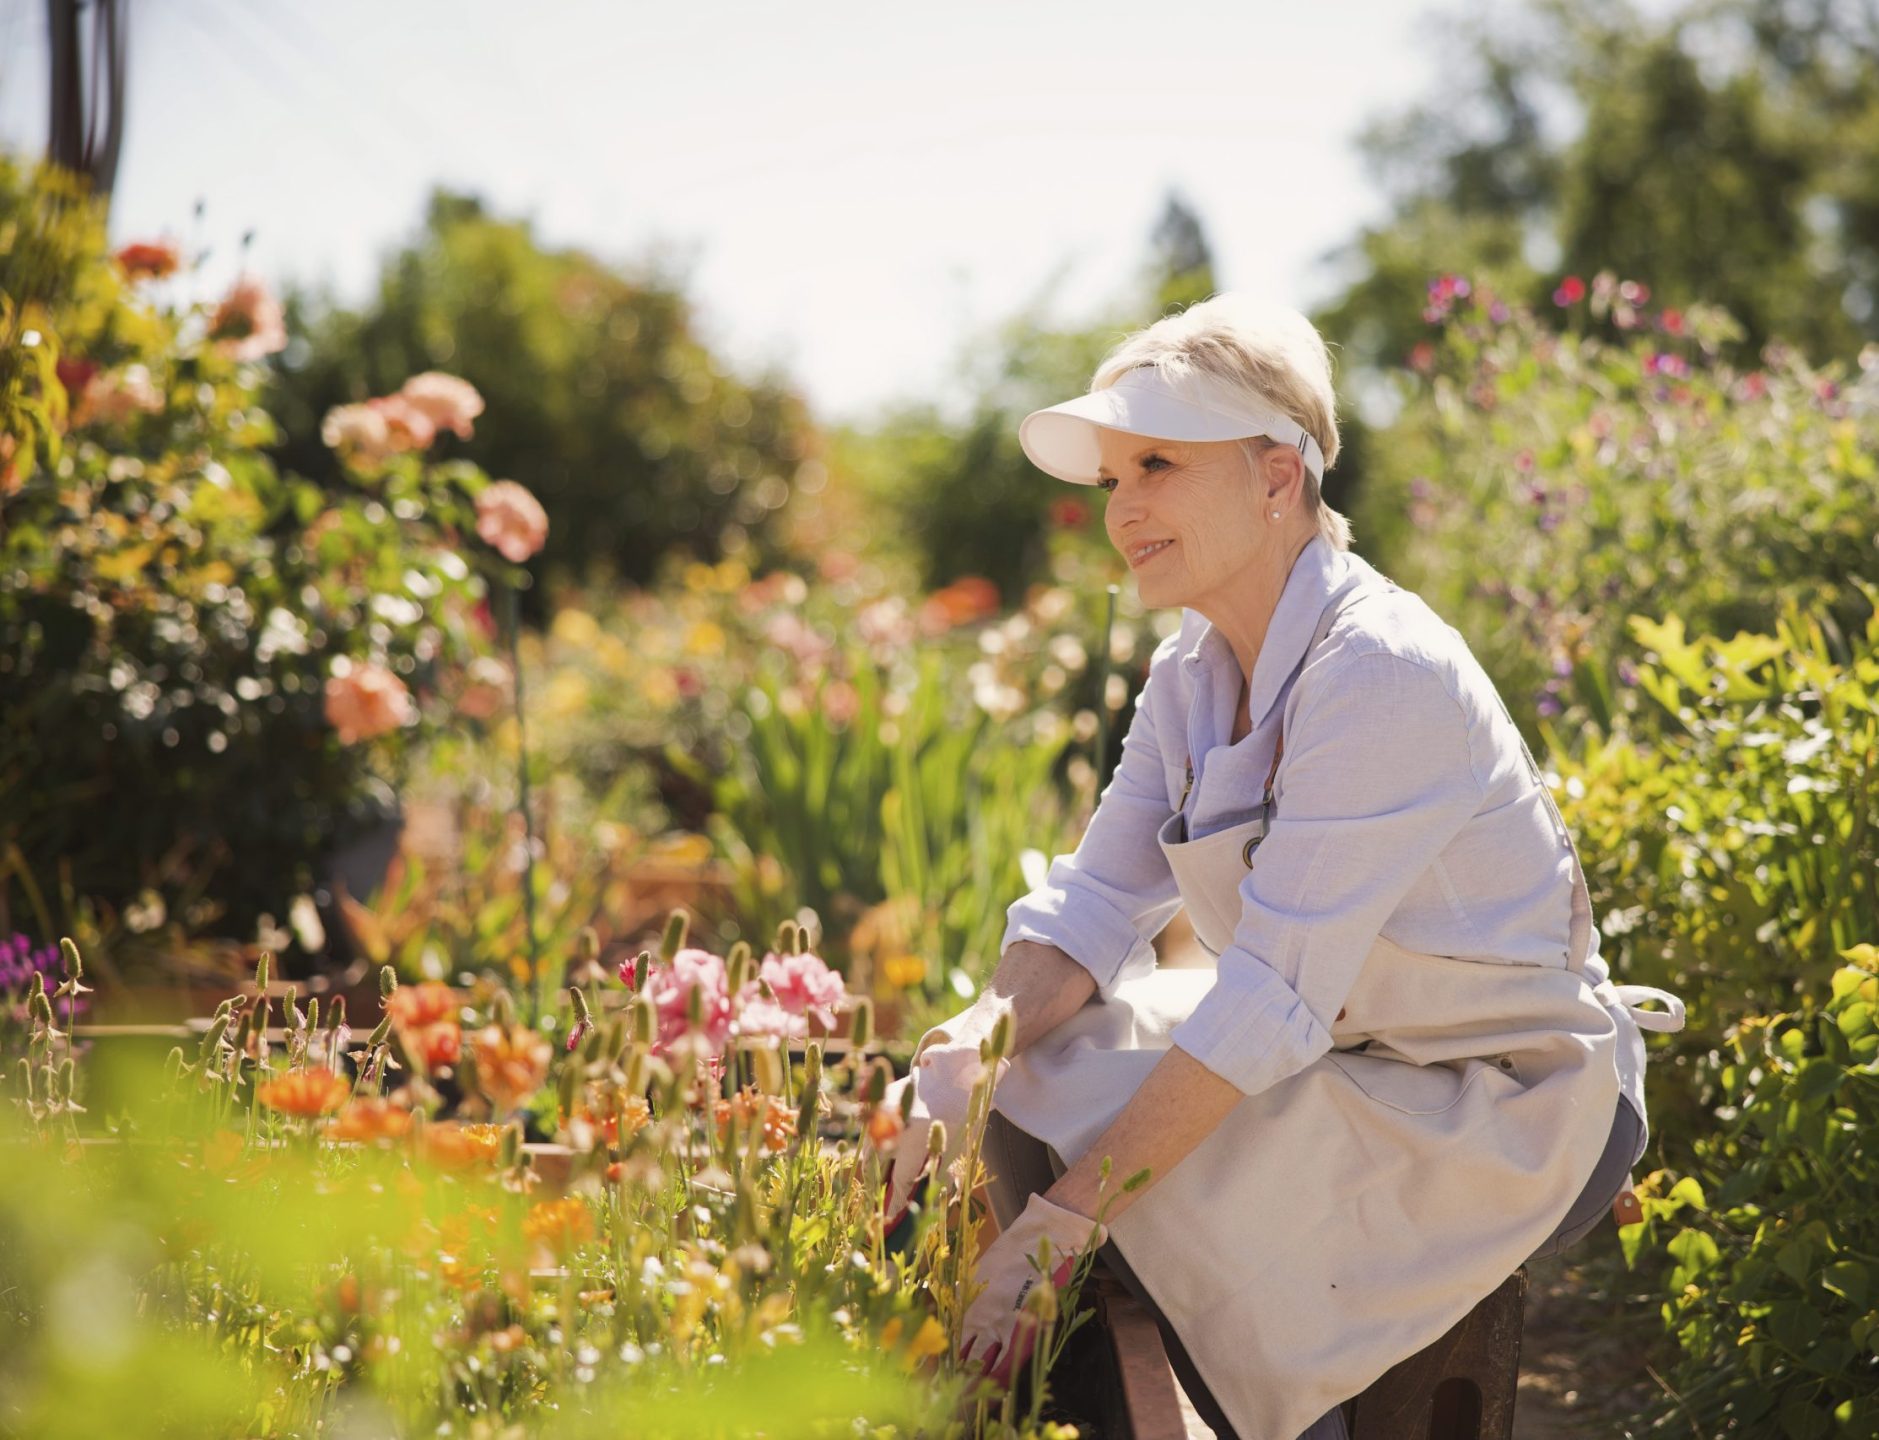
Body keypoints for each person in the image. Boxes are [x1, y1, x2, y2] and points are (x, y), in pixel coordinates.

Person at [868, 294, 1685, 1440]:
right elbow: (1097, 905)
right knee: (1044, 1070)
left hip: (1498, 1094)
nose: (1125, 510)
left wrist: (1062, 1222)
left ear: (1276, 477)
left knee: (1119, 1183)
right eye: (1113, 479)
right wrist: (969, 1047)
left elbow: (1268, 1002)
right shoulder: (1190, 675)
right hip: (1345, 1052)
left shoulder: (1379, 671)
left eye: (1156, 463)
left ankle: (1249, 1406)